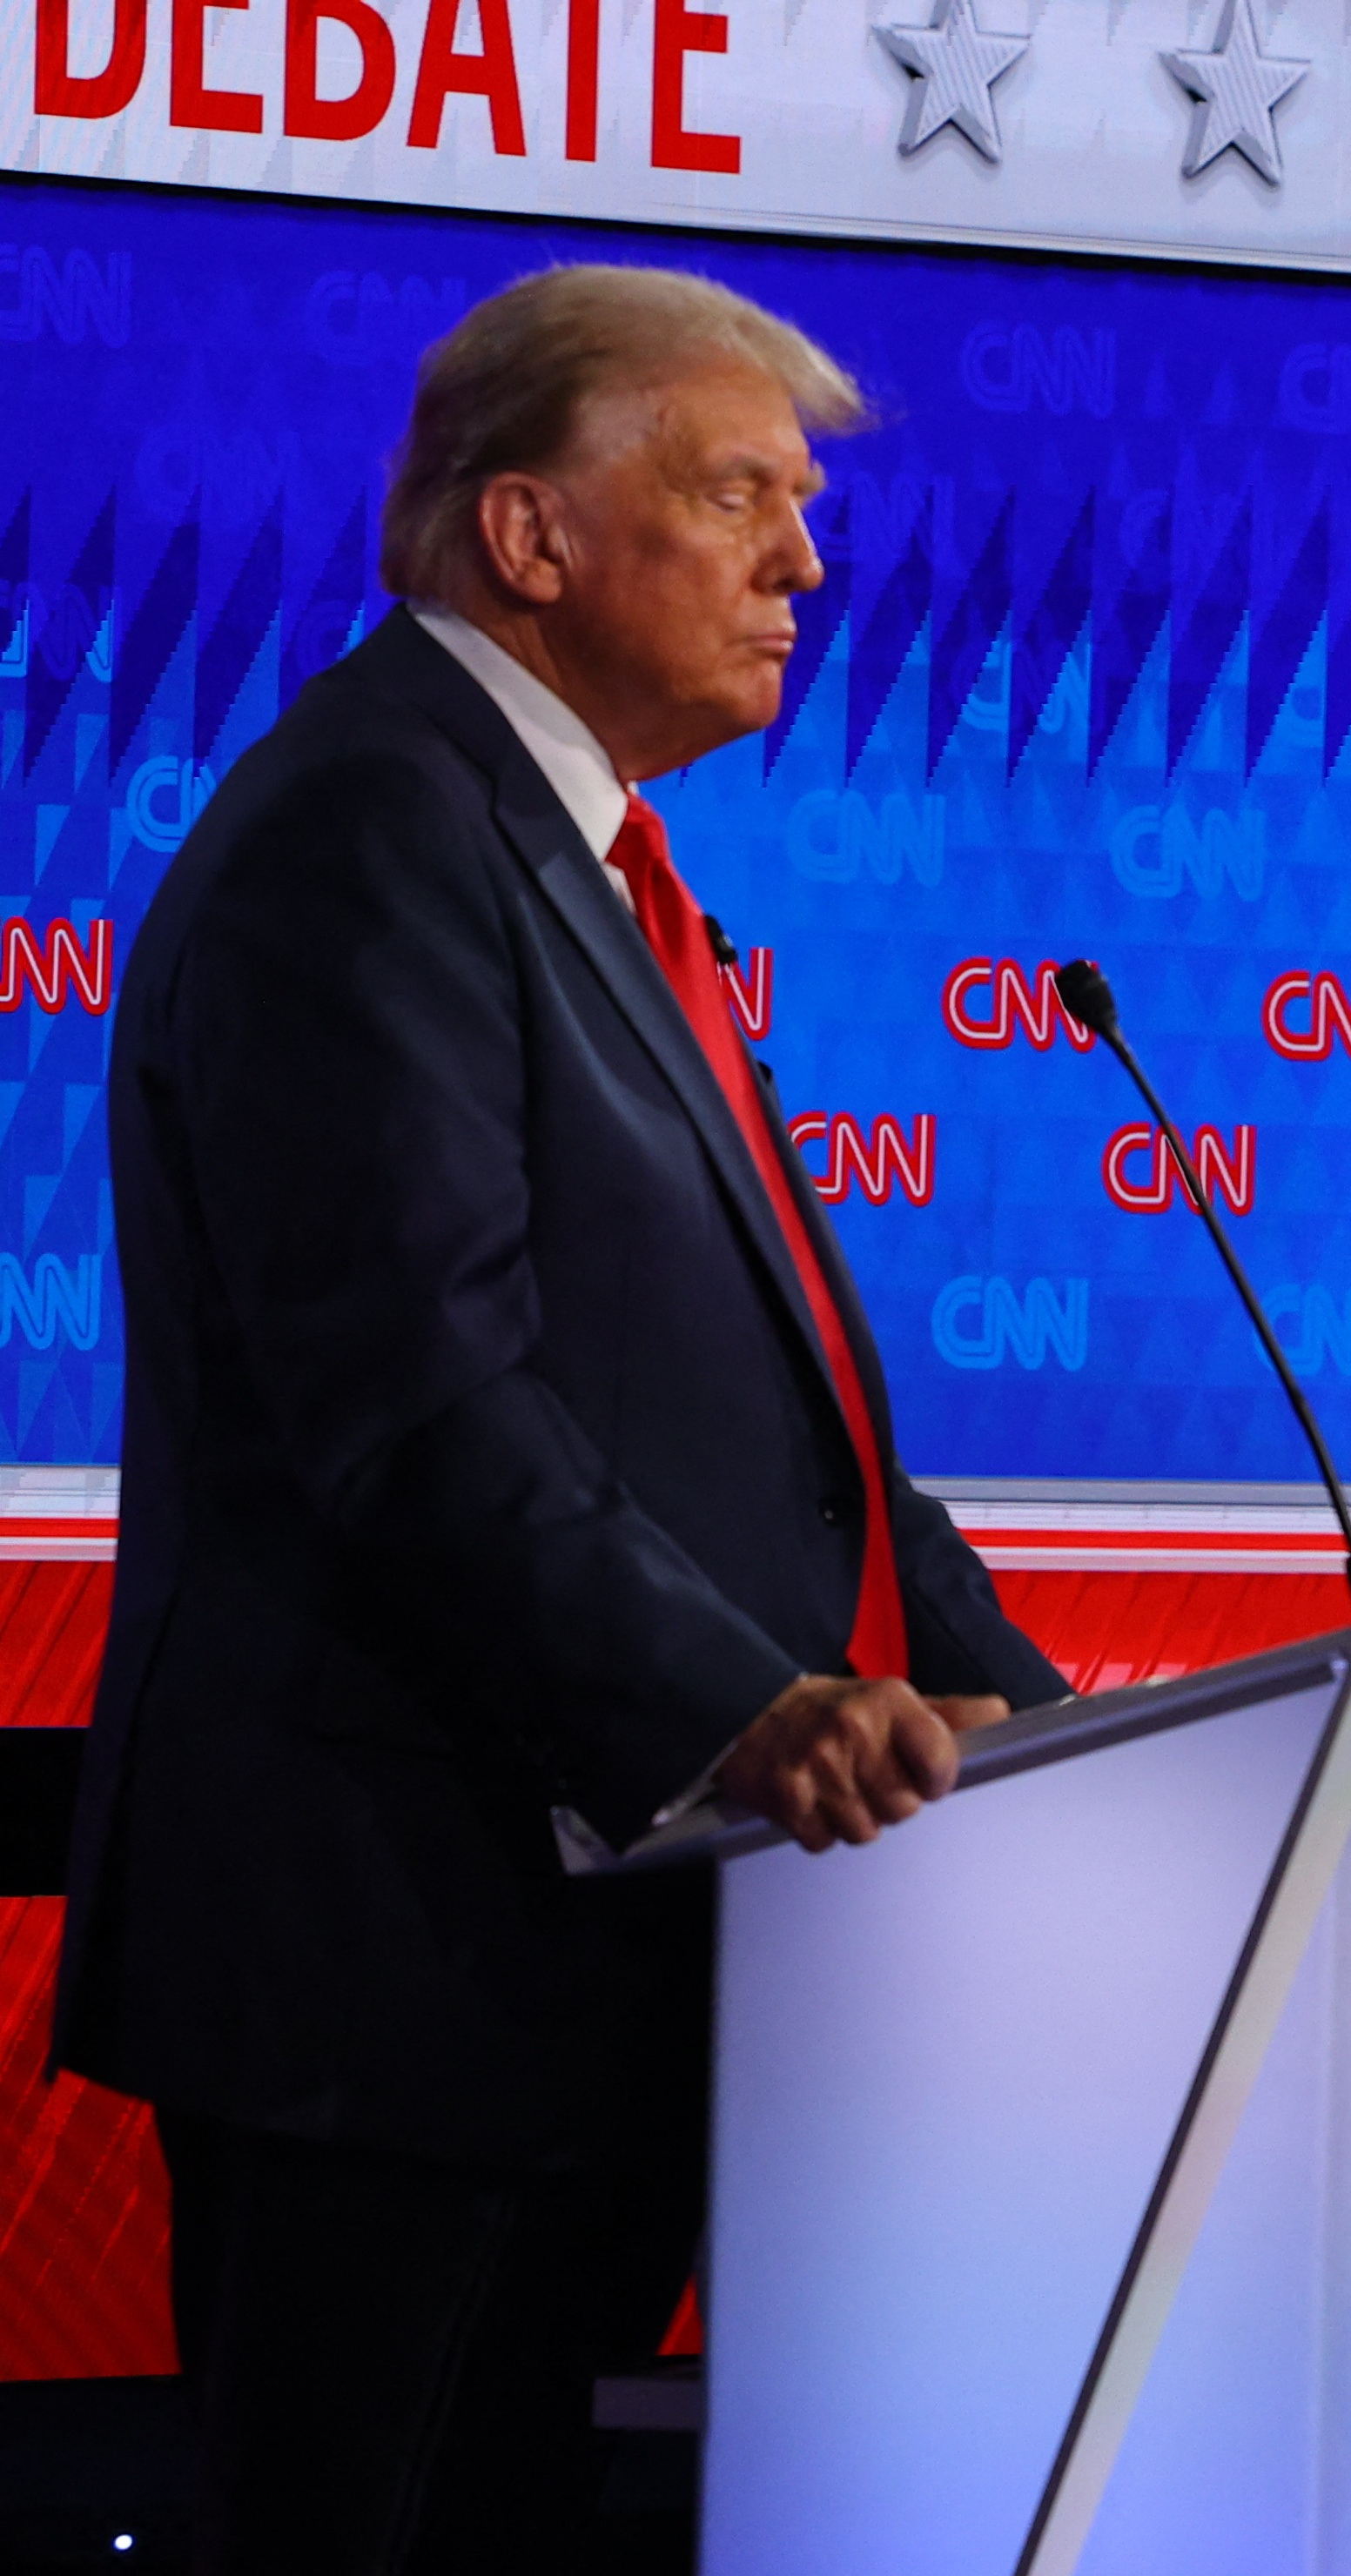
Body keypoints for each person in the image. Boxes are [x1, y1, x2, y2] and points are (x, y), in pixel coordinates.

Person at [55, 266, 1069, 2569]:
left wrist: (1021, 1699)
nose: (804, 561)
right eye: (738, 497)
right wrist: (746, 1708)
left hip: (571, 1969)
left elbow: (788, 1401)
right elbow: (415, 1400)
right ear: (526, 534)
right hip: (396, 1986)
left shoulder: (573, 863)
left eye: (795, 509)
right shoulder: (370, 834)